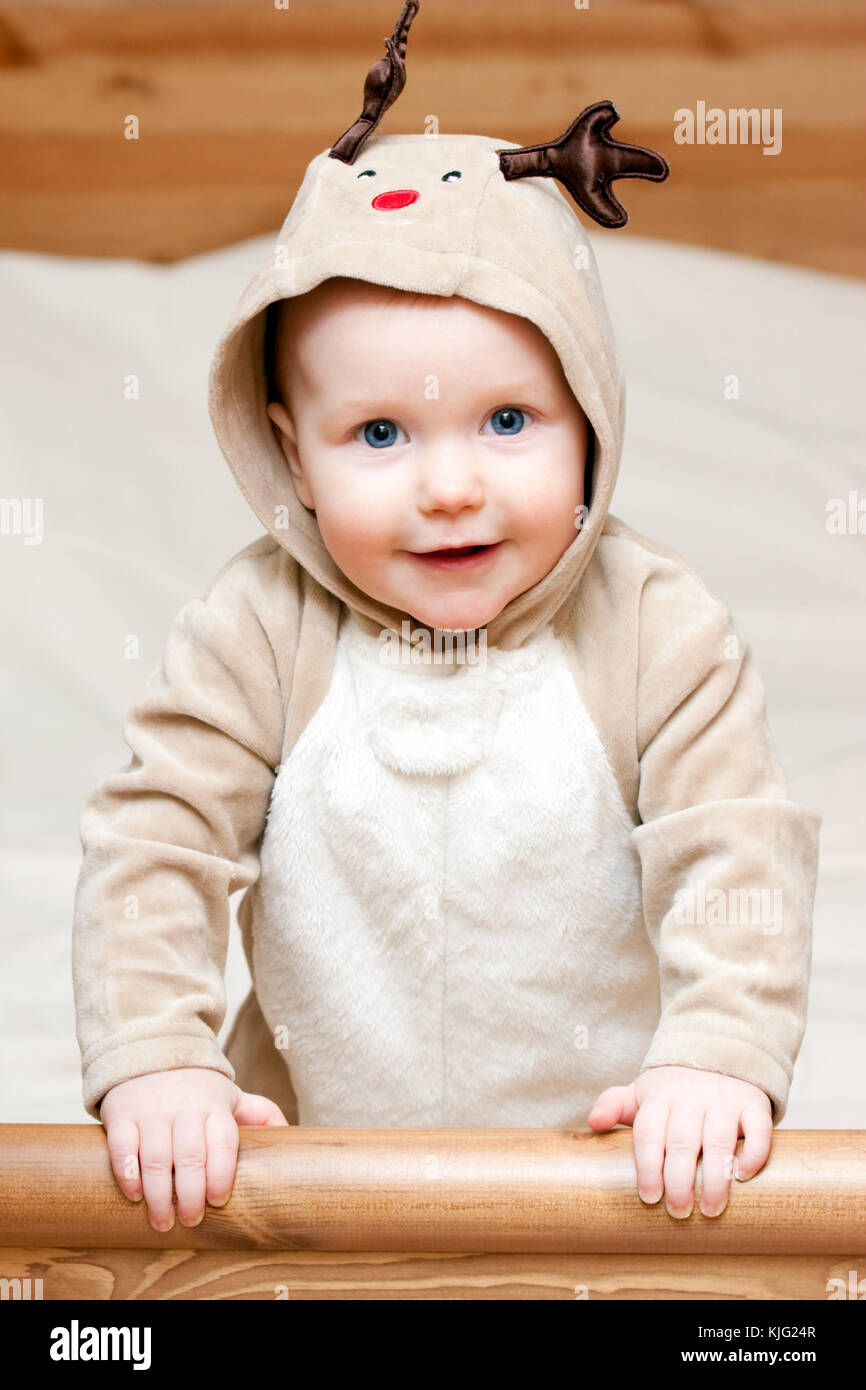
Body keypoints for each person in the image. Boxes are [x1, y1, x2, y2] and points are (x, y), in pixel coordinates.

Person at [72, 1, 820, 1235]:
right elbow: (155, 843)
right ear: (290, 458)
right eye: (377, 433)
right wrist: (156, 1053)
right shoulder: (255, 629)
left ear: (589, 416)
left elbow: (732, 848)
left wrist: (719, 1054)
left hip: (615, 1176)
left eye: (509, 421)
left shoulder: (655, 626)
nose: (451, 485)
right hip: (303, 1180)